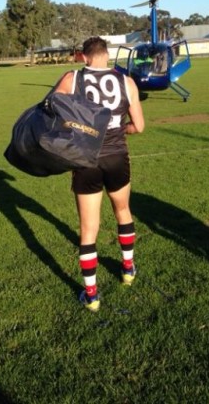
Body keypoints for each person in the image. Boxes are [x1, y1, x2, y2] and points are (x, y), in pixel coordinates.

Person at [55, 36, 145, 312]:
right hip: (117, 157)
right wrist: (122, 130)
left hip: (86, 161)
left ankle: (92, 296)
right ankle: (128, 269)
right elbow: (139, 126)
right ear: (107, 55)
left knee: (88, 229)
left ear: (84, 56)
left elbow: (51, 113)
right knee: (123, 211)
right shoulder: (126, 82)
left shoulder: (72, 79)